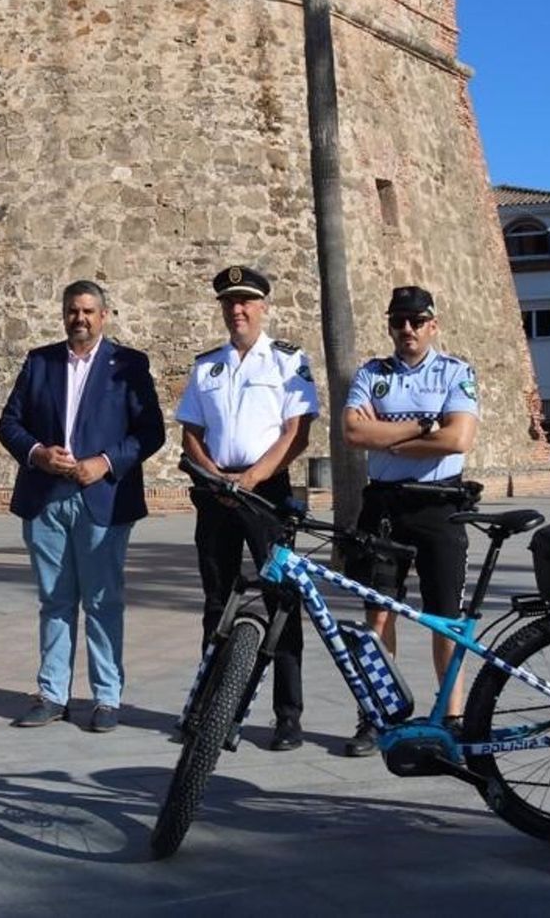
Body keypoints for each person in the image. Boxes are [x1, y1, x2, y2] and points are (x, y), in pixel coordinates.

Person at [0, 280, 165, 732]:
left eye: (89, 311)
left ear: (104, 316)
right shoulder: (39, 363)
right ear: (64, 314)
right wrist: (37, 453)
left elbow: (151, 432)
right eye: (73, 310)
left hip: (102, 499)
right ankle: (53, 693)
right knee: (55, 601)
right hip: (47, 498)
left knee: (103, 601)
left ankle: (107, 698)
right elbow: (9, 423)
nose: (81, 318)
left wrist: (105, 463)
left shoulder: (128, 365)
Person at [174, 265, 319, 752]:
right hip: (216, 494)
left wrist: (252, 478)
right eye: (229, 303)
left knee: (282, 602)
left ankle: (288, 715)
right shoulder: (206, 366)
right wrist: (215, 475)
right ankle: (209, 708)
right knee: (216, 602)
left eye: (246, 302)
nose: (237, 311)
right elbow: (190, 431)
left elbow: (297, 433)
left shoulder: (287, 361)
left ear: (262, 306)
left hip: (265, 494)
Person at [340, 285, 480, 756]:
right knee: (377, 614)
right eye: (398, 321)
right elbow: (354, 431)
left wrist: (389, 439)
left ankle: (453, 719)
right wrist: (423, 428)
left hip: (440, 506)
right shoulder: (372, 374)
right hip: (383, 506)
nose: (406, 330)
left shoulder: (455, 372)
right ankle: (376, 714)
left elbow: (458, 439)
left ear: (432, 325)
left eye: (416, 321)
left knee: (446, 620)